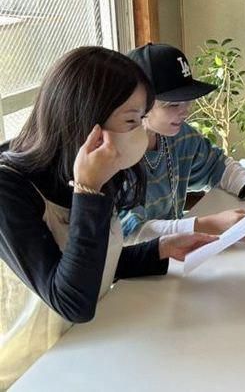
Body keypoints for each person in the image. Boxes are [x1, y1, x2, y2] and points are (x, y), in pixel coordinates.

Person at [0, 47, 216, 387]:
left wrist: (159, 249)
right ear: (87, 122)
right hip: (33, 368)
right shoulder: (10, 189)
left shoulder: (100, 170)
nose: (142, 132)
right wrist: (88, 190)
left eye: (142, 118)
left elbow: (93, 263)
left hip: (89, 345)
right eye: (131, 121)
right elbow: (71, 300)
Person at [120, 43, 245, 243]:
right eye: (173, 104)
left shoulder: (179, 135)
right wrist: (206, 224)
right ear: (138, 104)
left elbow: (217, 165)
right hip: (138, 260)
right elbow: (131, 234)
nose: (185, 111)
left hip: (175, 252)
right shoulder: (118, 157)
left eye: (187, 100)